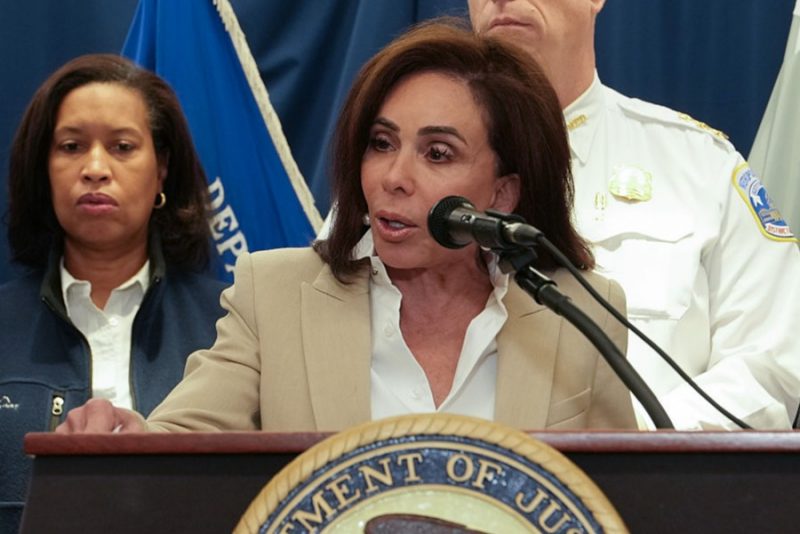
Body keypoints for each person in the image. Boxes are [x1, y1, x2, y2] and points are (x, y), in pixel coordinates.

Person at [55, 21, 637, 436]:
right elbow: (181, 445)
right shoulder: (276, 295)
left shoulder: (579, 315)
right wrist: (125, 435)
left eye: (437, 153)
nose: (393, 176)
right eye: (381, 144)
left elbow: (617, 500)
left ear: (504, 191)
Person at [468, 0, 800, 430]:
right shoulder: (400, 180)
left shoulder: (699, 166)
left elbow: (769, 364)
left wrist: (627, 443)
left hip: (648, 486)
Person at [0, 54, 227, 532]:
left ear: (162, 169)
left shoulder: (232, 324)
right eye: (71, 146)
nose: (95, 168)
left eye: (122, 147)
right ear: (44, 167)